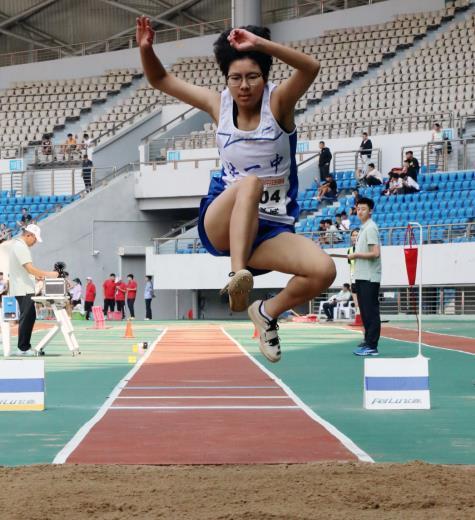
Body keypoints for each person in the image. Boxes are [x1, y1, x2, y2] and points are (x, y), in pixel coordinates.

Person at [137, 18, 336, 363]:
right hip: (223, 220)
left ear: (265, 77)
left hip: (270, 227)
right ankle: (237, 278)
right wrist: (146, 49)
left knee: (324, 270)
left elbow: (312, 67)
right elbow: (159, 79)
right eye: (235, 78)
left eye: (252, 77)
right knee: (250, 183)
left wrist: (259, 45)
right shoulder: (219, 105)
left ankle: (267, 312)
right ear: (226, 80)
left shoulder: (279, 104)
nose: (243, 86)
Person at [6, 224, 58, 355]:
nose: (35, 242)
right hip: (23, 289)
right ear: (29, 235)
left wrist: (38, 276)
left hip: (24, 287)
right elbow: (29, 268)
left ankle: (24, 346)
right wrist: (50, 274)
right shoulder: (20, 247)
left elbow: (26, 271)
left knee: (30, 316)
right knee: (27, 316)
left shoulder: (19, 246)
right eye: (35, 239)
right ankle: (23, 348)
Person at [348, 198, 381, 356]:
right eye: (358, 209)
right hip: (362, 277)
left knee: (371, 312)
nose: (360, 211)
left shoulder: (371, 228)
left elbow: (375, 253)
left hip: (370, 277)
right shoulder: (363, 228)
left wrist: (356, 255)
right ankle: (368, 341)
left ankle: (372, 346)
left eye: (363, 209)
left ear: (370, 211)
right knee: (365, 312)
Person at [347, 228, 359, 313]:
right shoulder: (350, 250)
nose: (354, 237)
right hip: (354, 278)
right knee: (356, 302)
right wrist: (351, 281)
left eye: (356, 235)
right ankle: (358, 316)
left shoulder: (364, 249)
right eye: (353, 235)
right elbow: (351, 266)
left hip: (363, 278)